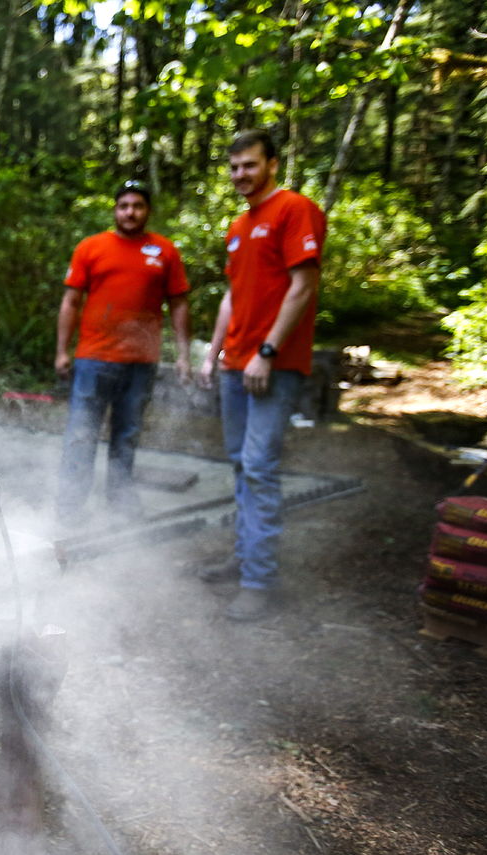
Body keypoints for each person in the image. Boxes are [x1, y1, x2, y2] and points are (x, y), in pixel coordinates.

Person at [197, 129, 327, 621]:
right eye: (233, 168)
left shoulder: (296, 210)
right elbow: (233, 296)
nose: (240, 175)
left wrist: (267, 351)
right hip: (236, 364)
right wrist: (214, 354)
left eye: (249, 165)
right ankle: (244, 555)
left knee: (259, 466)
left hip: (273, 365)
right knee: (239, 464)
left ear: (272, 163)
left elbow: (304, 285)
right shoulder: (237, 225)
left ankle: (259, 581)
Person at [55, 179, 191, 523]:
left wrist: (185, 355)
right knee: (81, 435)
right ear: (115, 210)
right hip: (93, 359)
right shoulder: (91, 247)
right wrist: (62, 351)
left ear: (148, 211)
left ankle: (120, 502)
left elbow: (178, 305)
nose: (130, 212)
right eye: (124, 206)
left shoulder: (164, 251)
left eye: (138, 206)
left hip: (141, 362)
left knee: (126, 435)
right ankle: (70, 508)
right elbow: (71, 302)